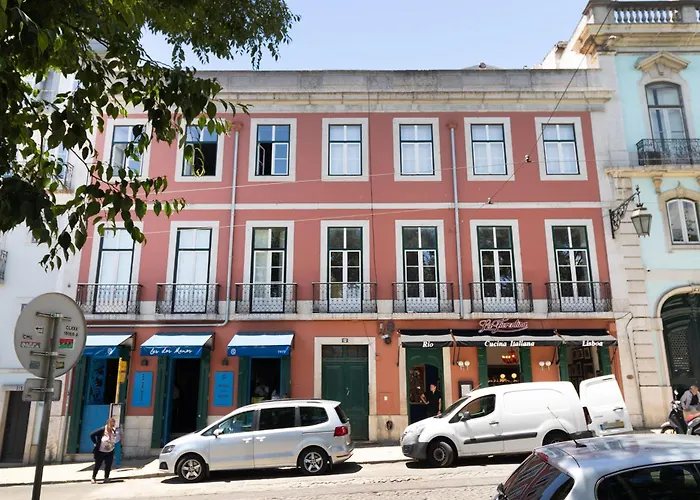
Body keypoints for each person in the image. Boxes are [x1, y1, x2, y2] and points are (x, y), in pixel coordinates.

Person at [90, 418, 122, 484]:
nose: (112, 426)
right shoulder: (102, 430)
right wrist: (95, 443)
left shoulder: (113, 430)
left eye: (113, 424)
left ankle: (106, 478)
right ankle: (93, 477)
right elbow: (92, 435)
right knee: (98, 465)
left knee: (108, 465)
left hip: (110, 451)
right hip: (101, 451)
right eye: (111, 424)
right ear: (108, 423)